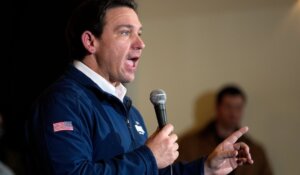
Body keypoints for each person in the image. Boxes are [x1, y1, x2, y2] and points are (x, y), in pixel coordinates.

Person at [26, 0, 253, 174]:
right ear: (90, 41)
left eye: (139, 33)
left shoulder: (128, 110)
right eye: (125, 32)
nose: (141, 43)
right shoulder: (62, 102)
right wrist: (148, 157)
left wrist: (206, 168)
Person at [178, 85, 272, 175]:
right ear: (217, 108)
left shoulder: (256, 151)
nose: (233, 113)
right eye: (228, 106)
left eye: (238, 108)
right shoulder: (189, 145)